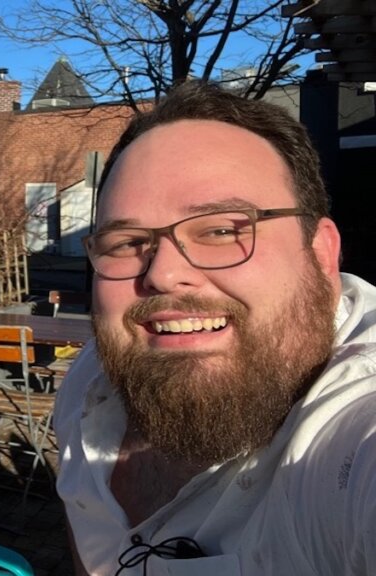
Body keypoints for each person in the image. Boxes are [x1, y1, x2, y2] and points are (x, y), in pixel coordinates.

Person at [56, 80, 376, 575]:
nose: (161, 273)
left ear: (321, 255)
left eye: (222, 230)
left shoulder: (354, 441)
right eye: (125, 242)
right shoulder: (88, 384)